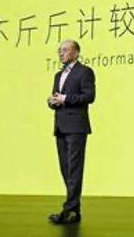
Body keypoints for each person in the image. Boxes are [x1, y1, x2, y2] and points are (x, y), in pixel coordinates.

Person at [47, 40, 96, 225]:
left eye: (65, 50)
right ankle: (74, 209)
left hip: (76, 127)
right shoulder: (58, 75)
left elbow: (89, 96)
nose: (61, 53)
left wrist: (66, 98)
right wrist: (52, 101)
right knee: (65, 168)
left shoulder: (84, 72)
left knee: (74, 168)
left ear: (76, 53)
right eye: (59, 50)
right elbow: (57, 97)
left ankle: (69, 209)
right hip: (60, 126)